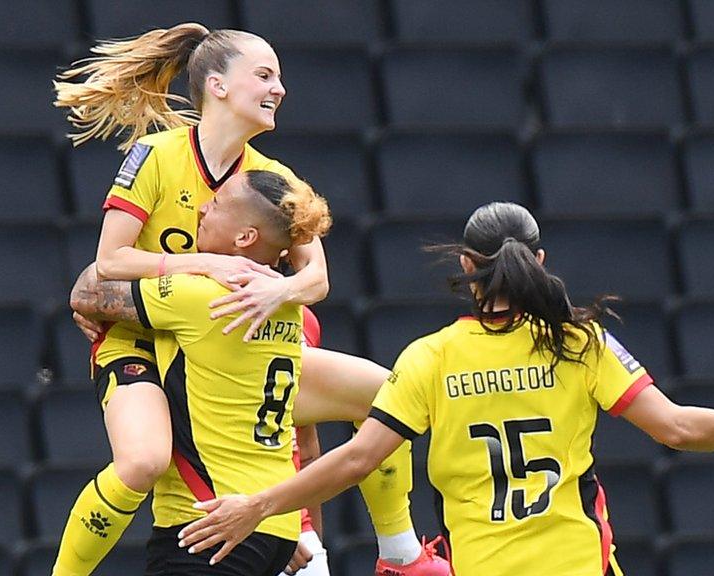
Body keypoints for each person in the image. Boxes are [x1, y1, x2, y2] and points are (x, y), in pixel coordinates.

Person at [173, 202, 714, 576]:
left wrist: (259, 505)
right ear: (541, 262)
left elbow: (357, 459)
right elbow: (678, 429)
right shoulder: (580, 344)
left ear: (466, 266)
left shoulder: (430, 358)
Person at [52, 23, 444, 576]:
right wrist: (205, 263)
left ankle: (400, 554)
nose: (279, 88)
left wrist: (278, 288)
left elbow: (318, 278)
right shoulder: (155, 155)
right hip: (142, 339)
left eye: (279, 77)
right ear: (216, 85)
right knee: (143, 462)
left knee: (386, 394)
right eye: (264, 75)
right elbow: (109, 262)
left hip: (228, 351)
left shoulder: (272, 179)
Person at [69, 170, 327, 575]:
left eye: (218, 204)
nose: (203, 208)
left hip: (207, 523)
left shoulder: (202, 294)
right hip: (276, 526)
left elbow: (88, 292)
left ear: (245, 238)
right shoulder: (292, 308)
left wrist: (197, 263)